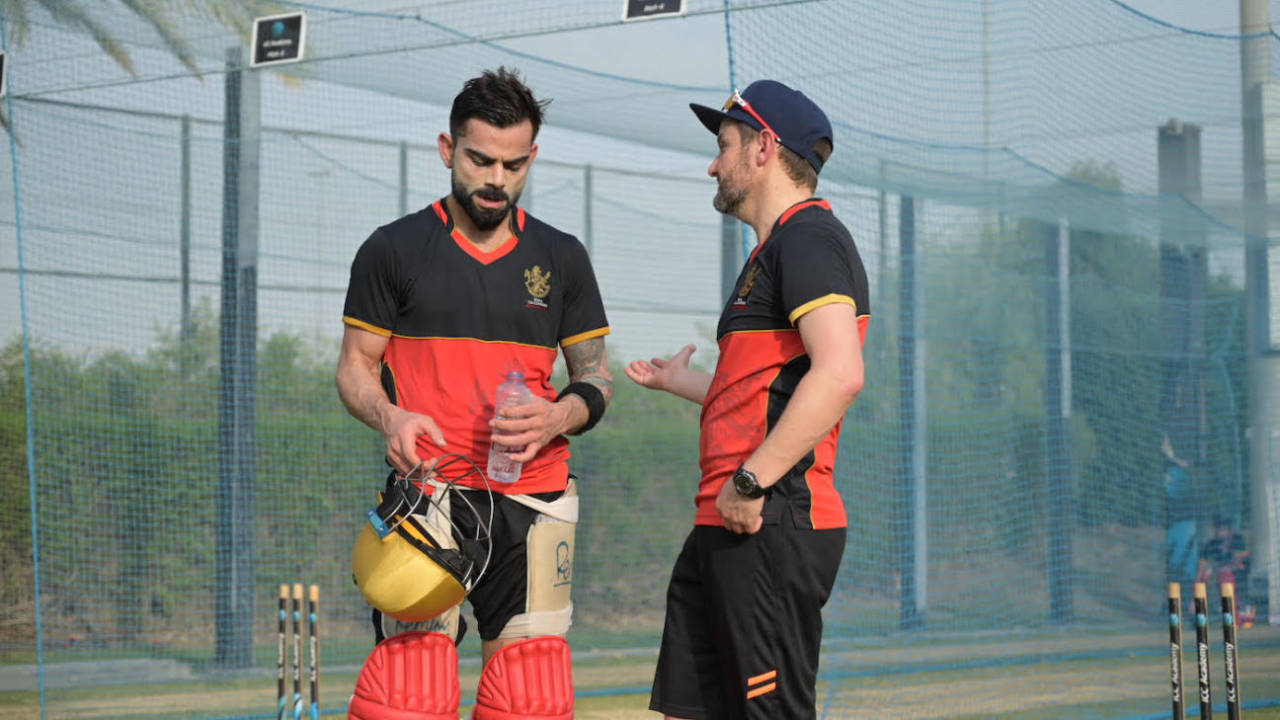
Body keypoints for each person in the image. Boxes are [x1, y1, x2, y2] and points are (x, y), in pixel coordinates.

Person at [336, 66, 613, 719]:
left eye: (514, 165)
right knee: (409, 695)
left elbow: (595, 375)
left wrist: (559, 416)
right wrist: (389, 414)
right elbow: (354, 367)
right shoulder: (393, 250)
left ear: (532, 158)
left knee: (530, 697)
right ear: (447, 149)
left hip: (534, 500)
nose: (496, 179)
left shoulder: (563, 257)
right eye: (480, 160)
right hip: (428, 501)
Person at [626, 80, 869, 720]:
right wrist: (685, 385)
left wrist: (752, 479)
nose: (713, 163)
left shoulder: (810, 238)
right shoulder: (772, 250)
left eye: (723, 145)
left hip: (768, 520)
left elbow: (840, 373)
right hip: (726, 522)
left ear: (764, 147)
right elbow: (768, 391)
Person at [1161, 434, 1197, 597]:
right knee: (1173, 566)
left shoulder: (1185, 475)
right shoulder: (1171, 472)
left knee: (1187, 567)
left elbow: (1189, 468)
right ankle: (1173, 607)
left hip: (1186, 522)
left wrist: (1171, 455)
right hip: (1175, 524)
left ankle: (1192, 606)